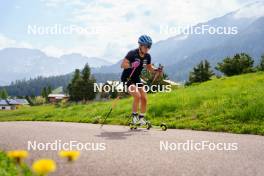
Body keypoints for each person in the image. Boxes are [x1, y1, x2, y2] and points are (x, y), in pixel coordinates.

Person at [121, 35, 162, 125]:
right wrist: (132, 65)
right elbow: (123, 65)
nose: (148, 48)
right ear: (140, 45)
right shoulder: (132, 53)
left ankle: (141, 118)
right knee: (137, 96)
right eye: (146, 46)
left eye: (149, 46)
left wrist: (156, 70)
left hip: (136, 78)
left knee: (144, 98)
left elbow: (149, 67)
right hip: (127, 78)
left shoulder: (147, 56)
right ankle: (134, 117)